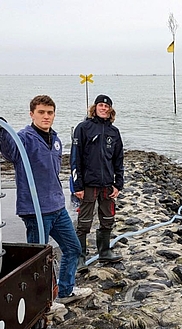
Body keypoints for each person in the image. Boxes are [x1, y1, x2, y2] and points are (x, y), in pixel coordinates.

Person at [0, 95, 92, 303]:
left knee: (73, 249)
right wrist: (3, 132)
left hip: (57, 206)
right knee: (38, 260)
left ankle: (65, 291)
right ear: (32, 114)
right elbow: (10, 153)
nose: (46, 116)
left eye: (50, 113)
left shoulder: (56, 140)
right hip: (35, 210)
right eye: (41, 112)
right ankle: (42, 302)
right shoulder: (23, 138)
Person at [70, 94, 124, 267]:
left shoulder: (114, 132)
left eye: (106, 106)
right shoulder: (83, 128)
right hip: (87, 184)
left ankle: (105, 252)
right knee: (84, 222)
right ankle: (80, 257)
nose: (103, 108)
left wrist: (118, 183)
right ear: (95, 108)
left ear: (110, 110)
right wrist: (77, 185)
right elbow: (75, 158)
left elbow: (118, 159)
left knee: (108, 219)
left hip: (107, 185)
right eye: (100, 105)